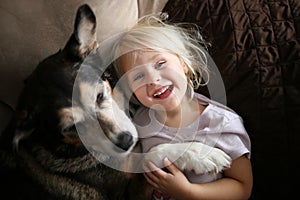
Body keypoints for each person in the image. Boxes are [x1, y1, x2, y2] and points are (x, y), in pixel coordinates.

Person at [112, 14, 253, 200]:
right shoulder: (137, 123)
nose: (153, 80)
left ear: (184, 63)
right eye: (138, 76)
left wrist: (188, 192)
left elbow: (242, 188)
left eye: (160, 63)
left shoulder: (222, 123)